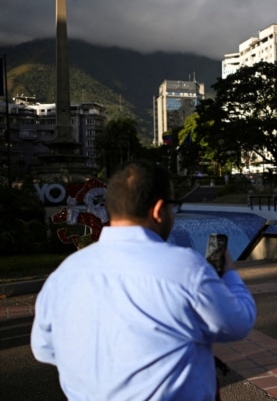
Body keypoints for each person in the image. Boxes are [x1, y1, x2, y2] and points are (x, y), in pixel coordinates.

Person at [31, 160, 256, 400]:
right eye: (173, 207)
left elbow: (43, 349)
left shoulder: (64, 274)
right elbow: (238, 322)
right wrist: (229, 273)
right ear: (159, 210)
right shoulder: (185, 268)